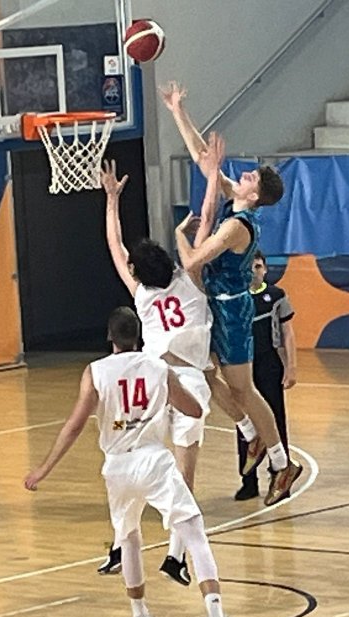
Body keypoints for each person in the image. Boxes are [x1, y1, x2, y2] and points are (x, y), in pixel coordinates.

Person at [24, 307, 253, 617]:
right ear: (139, 335)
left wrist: (43, 469)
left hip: (117, 466)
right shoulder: (157, 367)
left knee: (128, 537)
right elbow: (193, 409)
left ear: (109, 337)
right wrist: (165, 399)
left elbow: (74, 426)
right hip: (153, 461)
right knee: (193, 531)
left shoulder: (95, 372)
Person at [96, 134, 250, 584]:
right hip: (189, 383)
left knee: (132, 463)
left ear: (140, 272)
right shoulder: (191, 277)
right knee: (184, 474)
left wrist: (111, 200)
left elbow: (115, 246)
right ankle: (175, 556)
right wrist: (211, 175)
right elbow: (206, 217)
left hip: (152, 382)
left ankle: (120, 547)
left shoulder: (141, 295)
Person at [162, 81, 302, 506]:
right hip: (216, 308)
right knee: (203, 373)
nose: (242, 175)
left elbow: (192, 262)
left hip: (233, 313)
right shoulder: (235, 202)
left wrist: (177, 235)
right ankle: (249, 433)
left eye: (249, 177)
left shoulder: (235, 227)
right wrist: (177, 112)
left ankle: (282, 462)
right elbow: (204, 160)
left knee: (244, 390)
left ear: (254, 194)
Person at [234, 252, 297, 501]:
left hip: (268, 364)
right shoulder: (236, 297)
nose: (254, 271)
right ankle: (248, 481)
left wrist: (291, 367)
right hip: (243, 365)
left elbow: (287, 333)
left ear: (266, 269)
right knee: (245, 424)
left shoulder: (276, 296)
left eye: (258, 266)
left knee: (275, 419)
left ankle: (280, 476)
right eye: (249, 267)